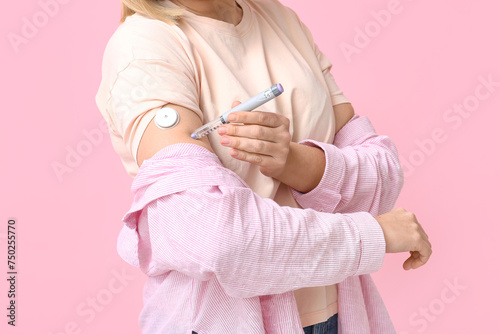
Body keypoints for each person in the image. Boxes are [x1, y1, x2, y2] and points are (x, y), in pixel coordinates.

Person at [95, 0, 432, 333]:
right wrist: (374, 235)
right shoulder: (142, 50)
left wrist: (294, 162)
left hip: (339, 316)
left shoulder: (281, 19)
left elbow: (382, 176)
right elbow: (218, 239)